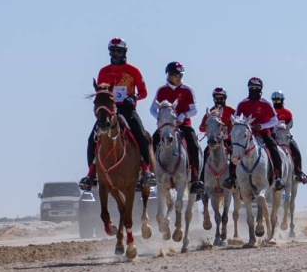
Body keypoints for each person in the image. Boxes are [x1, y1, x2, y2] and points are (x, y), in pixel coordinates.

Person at [79, 37, 156, 191]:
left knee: (141, 135)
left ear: (124, 52)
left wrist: (133, 97)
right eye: (113, 51)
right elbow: (101, 92)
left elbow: (143, 92)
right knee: (91, 140)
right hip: (109, 110)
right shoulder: (104, 71)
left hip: (127, 109)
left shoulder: (133, 70)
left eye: (119, 51)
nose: (116, 54)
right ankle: (91, 175)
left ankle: (146, 171)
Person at [150, 62, 204, 197]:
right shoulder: (162, 90)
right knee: (151, 142)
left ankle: (196, 179)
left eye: (180, 75)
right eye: (176, 75)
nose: (179, 77)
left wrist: (183, 115)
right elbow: (152, 109)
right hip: (166, 127)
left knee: (194, 145)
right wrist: (162, 119)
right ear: (169, 75)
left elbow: (194, 109)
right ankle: (149, 174)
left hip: (183, 125)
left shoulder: (187, 90)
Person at [235, 77, 285, 191]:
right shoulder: (242, 103)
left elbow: (275, 120)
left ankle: (278, 177)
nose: (254, 91)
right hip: (247, 134)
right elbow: (236, 118)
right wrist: (243, 125)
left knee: (274, 148)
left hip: (263, 133)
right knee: (235, 150)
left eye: (256, 89)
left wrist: (262, 126)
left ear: (261, 89)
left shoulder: (266, 103)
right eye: (252, 88)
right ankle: (232, 178)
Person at [198, 87, 237, 190]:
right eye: (217, 98)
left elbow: (238, 126)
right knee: (205, 154)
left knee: (236, 156)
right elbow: (201, 127)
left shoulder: (232, 111)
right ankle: (201, 182)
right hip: (214, 142)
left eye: (221, 98)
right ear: (214, 98)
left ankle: (235, 179)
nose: (219, 100)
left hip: (229, 141)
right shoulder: (210, 112)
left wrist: (227, 130)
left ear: (225, 98)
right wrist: (208, 127)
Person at [270, 90, 307, 183]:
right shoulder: (270, 111)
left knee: (297, 152)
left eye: (278, 101)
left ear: (282, 100)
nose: (276, 103)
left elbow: (291, 124)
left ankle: (298, 172)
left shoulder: (287, 112)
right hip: (273, 137)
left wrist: (283, 127)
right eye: (274, 101)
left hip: (285, 137)